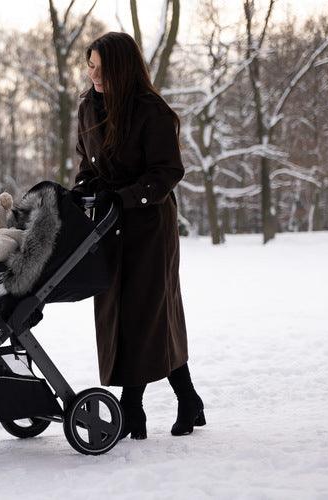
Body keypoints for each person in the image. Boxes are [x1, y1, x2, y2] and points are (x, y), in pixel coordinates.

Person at [72, 32, 205, 439]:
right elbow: (87, 162)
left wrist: (124, 197)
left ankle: (133, 408)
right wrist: (82, 191)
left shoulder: (153, 111)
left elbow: (167, 172)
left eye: (100, 67)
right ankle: (189, 399)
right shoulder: (88, 108)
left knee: (146, 312)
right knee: (122, 313)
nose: (93, 75)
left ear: (122, 68)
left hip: (149, 227)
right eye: (90, 66)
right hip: (108, 226)